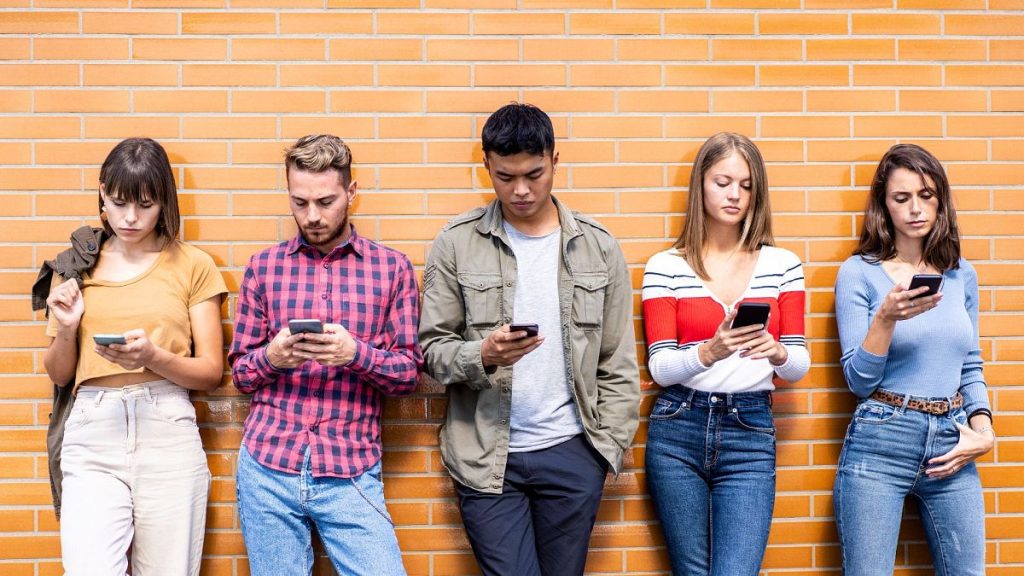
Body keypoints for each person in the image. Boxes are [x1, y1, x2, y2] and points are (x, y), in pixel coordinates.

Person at [419, 103, 640, 576]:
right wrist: (483, 354)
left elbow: (617, 360)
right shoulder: (455, 243)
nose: (520, 190)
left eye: (534, 174)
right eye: (505, 177)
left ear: (555, 160)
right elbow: (432, 350)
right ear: (486, 166)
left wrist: (604, 450)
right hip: (486, 457)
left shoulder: (599, 246)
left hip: (573, 452)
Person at [229, 134, 422, 576]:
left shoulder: (392, 269)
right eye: (299, 202)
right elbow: (240, 374)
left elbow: (409, 374)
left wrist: (356, 354)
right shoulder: (263, 267)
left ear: (351, 192)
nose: (312, 216)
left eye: (325, 201)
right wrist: (274, 357)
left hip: (350, 467)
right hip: (268, 465)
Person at [41, 137, 227, 575]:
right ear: (102, 192)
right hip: (93, 428)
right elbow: (59, 373)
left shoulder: (193, 264)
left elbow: (211, 372)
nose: (129, 218)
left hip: (166, 427)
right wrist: (67, 328)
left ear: (164, 202)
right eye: (119, 202)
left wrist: (153, 357)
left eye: (145, 205)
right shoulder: (75, 266)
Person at [641, 132, 809, 575]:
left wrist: (776, 352)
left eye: (746, 185)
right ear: (701, 184)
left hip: (749, 430)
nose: (735, 194)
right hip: (678, 426)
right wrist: (710, 351)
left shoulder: (783, 264)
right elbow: (660, 368)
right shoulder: (665, 266)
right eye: (723, 182)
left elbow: (798, 365)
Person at [833, 143, 994, 575]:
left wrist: (983, 431)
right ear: (884, 206)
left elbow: (970, 364)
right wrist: (885, 318)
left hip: (951, 438)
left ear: (940, 199)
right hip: (881, 437)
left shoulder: (961, 273)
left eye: (926, 195)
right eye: (901, 198)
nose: (915, 209)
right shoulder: (858, 272)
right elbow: (859, 381)